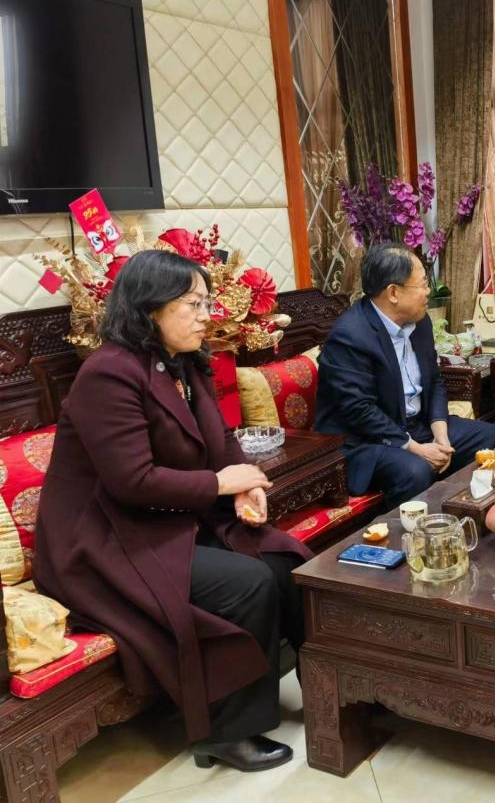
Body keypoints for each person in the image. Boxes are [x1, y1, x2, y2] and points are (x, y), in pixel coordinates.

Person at [33, 250, 311, 772]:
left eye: (207, 302)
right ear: (150, 308)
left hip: (165, 519)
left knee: (283, 559)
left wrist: (243, 486)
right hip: (103, 541)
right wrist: (219, 483)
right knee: (246, 582)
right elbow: (131, 480)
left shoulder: (184, 361)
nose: (208, 315)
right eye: (194, 304)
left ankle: (323, 681)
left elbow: (220, 439)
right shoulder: (108, 374)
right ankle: (226, 732)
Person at [315, 242, 495, 506]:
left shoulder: (420, 321)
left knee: (488, 438)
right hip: (368, 440)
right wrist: (415, 448)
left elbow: (434, 381)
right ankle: (405, 529)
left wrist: (441, 434)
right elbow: (359, 410)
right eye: (423, 284)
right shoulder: (350, 336)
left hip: (416, 424)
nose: (428, 291)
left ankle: (461, 512)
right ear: (394, 292)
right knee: (416, 470)